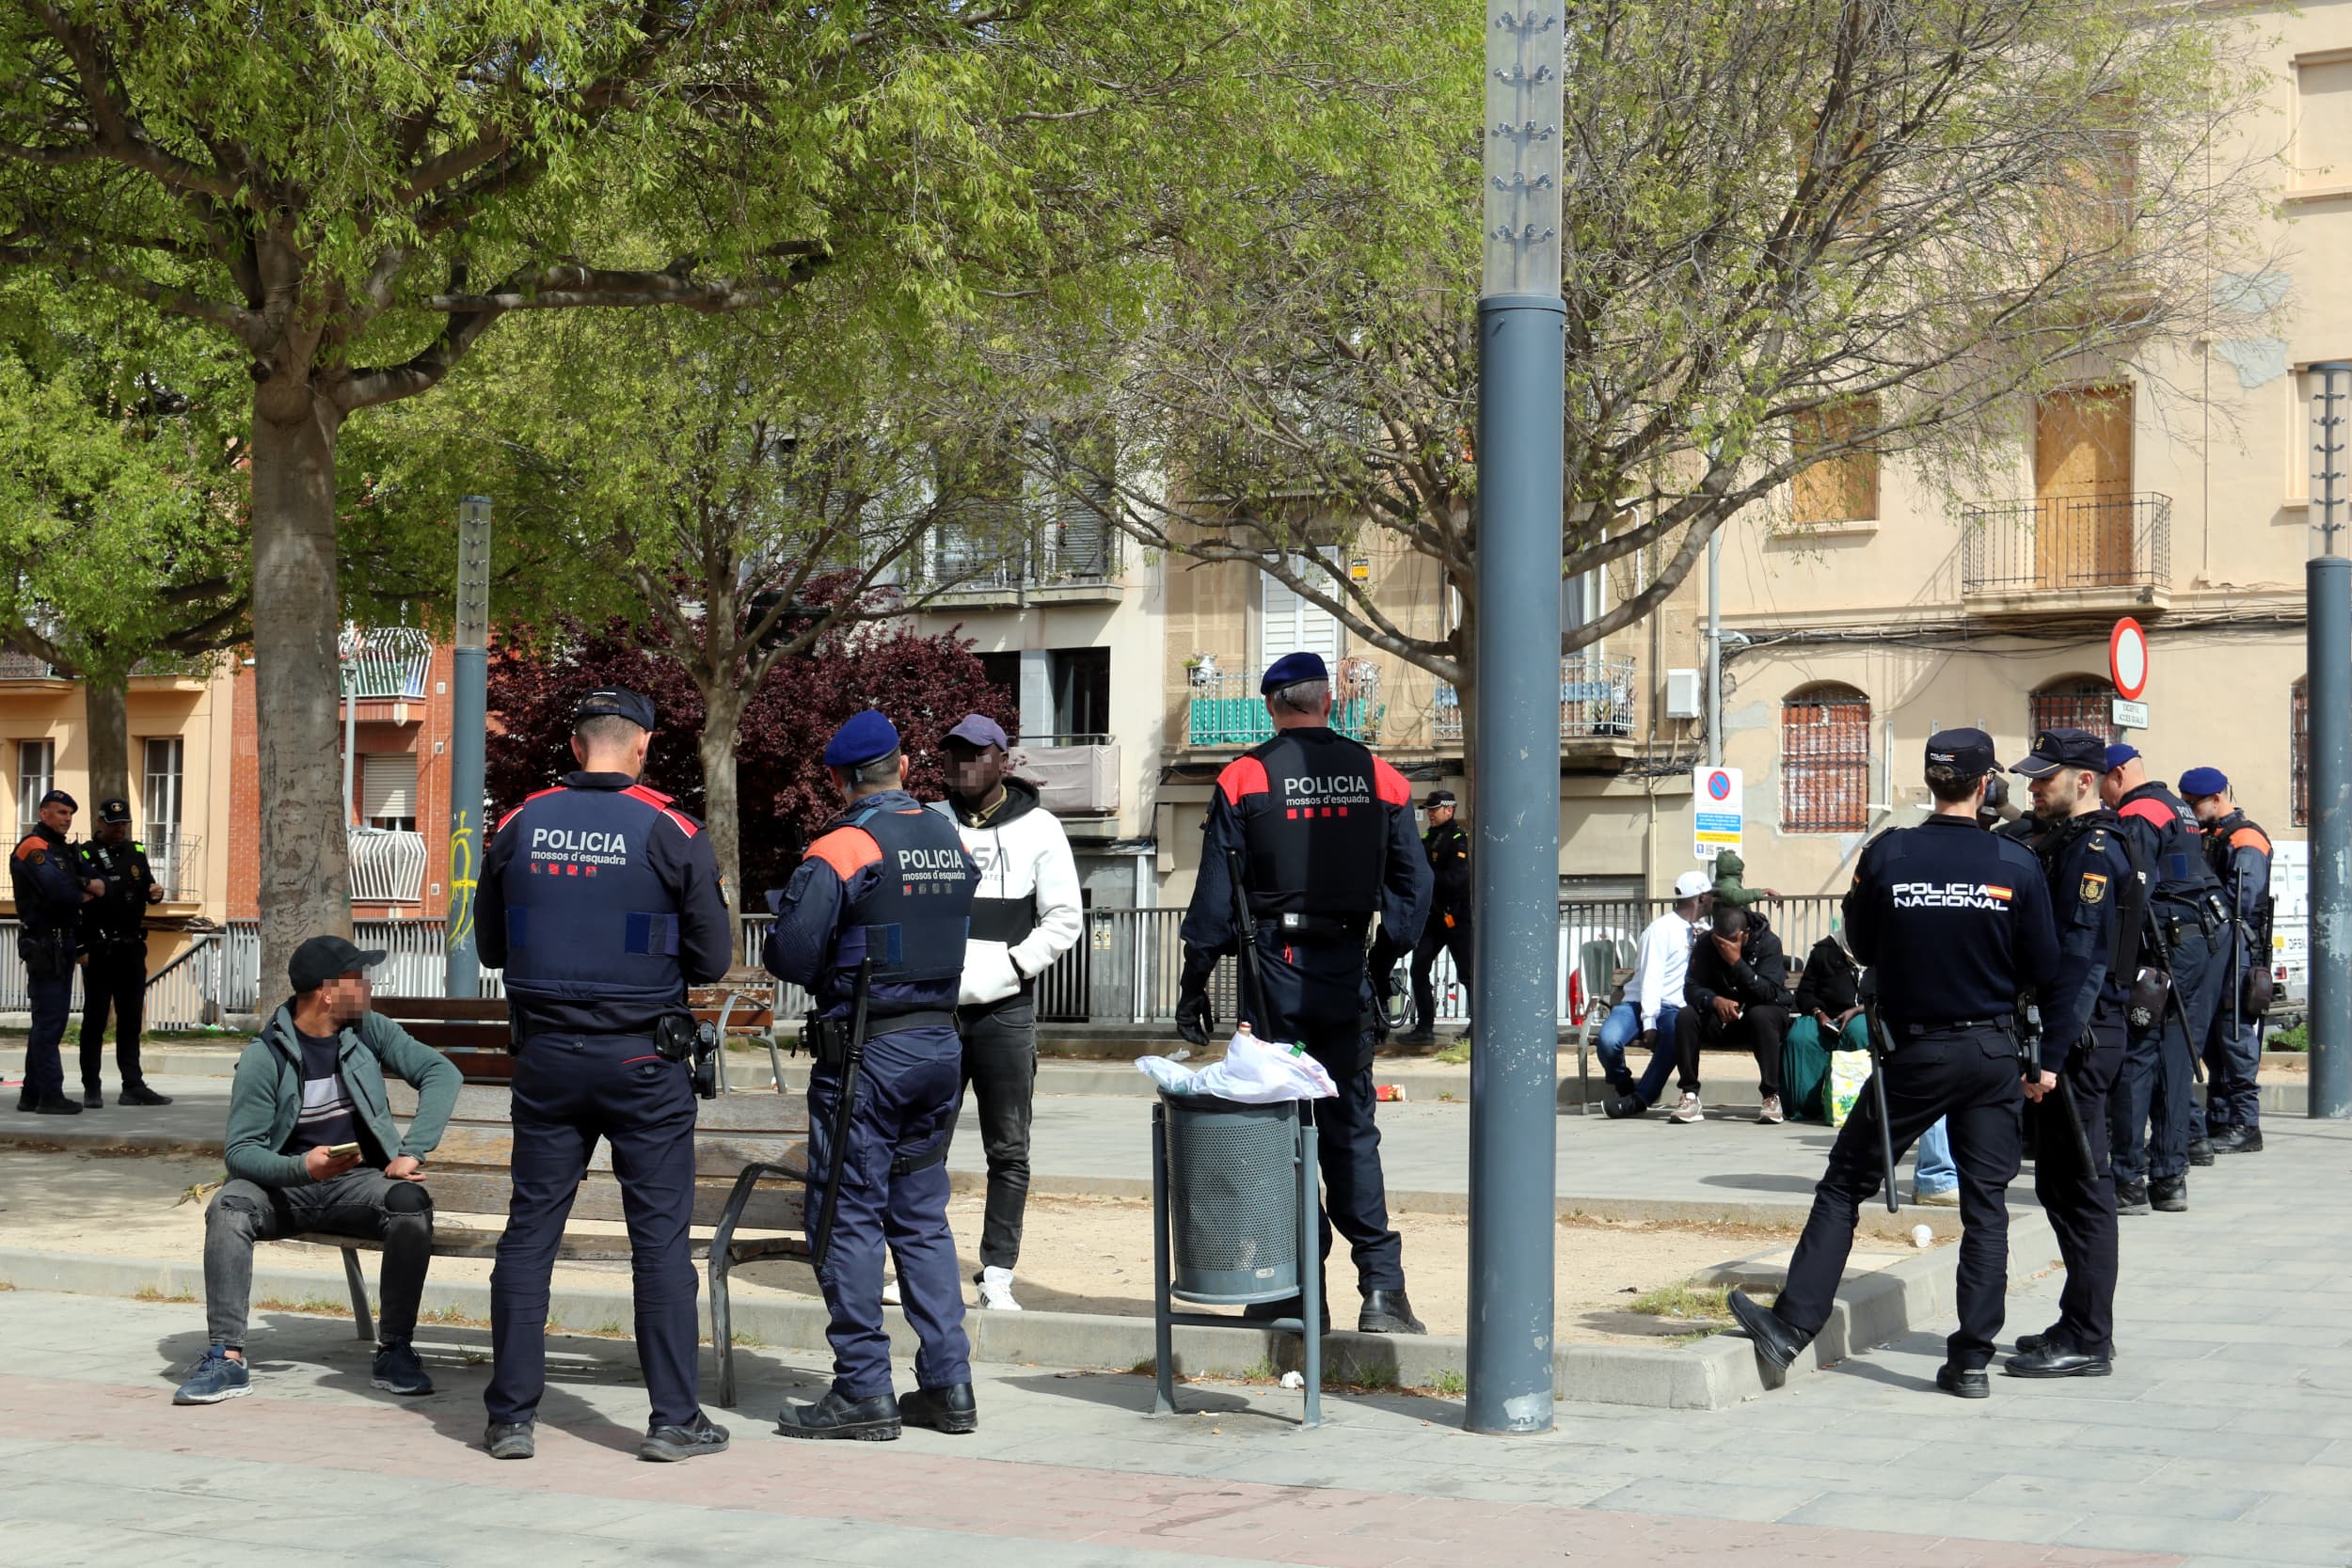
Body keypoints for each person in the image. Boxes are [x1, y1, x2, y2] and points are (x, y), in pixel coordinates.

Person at [1728, 730, 2058, 1398]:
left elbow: (1861, 942)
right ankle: (1969, 1360)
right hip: (1992, 1051)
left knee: (1844, 1185)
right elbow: (2043, 967)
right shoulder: (2016, 862)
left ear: (1931, 781)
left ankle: (1792, 1327)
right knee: (1986, 1205)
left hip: (1916, 1050)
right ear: (1985, 785)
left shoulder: (1889, 853)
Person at [474, 687, 735, 1464]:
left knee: (530, 1234)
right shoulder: (673, 829)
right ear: (644, 743)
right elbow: (713, 959)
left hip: (547, 1060)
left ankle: (511, 1418)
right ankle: (672, 1421)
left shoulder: (519, 823)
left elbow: (492, 946)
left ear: (578, 740)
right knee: (658, 1244)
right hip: (642, 1061)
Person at [1174, 650, 1432, 1335]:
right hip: (1345, 970)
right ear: (1328, 702)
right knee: (1352, 1133)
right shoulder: (1383, 777)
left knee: (1280, 1136)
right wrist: (1382, 961)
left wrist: (1194, 981)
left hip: (1272, 979)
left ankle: (1295, 1295)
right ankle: (1382, 1289)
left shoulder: (1245, 775)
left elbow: (1213, 896)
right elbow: (1416, 887)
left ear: (1272, 707)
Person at [767, 709, 981, 1440]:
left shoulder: (844, 844)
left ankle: (862, 1389)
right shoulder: (946, 835)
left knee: (846, 1214)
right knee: (921, 1217)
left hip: (868, 1058)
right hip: (940, 1048)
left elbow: (791, 955)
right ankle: (949, 1386)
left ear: (841, 778)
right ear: (904, 767)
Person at [174, 935, 460, 1404]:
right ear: (328, 992)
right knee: (228, 1207)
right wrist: (302, 1167)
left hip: (357, 1185)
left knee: (411, 1205)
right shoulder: (263, 1057)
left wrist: (413, 1151)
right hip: (286, 1190)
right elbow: (241, 1153)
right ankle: (225, 1359)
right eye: (359, 979)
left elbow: (441, 1072)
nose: (369, 987)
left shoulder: (369, 1031)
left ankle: (395, 1350)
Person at [931, 711, 1082, 1312]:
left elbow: (1065, 920)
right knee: (922, 1148)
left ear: (1003, 761)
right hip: (935, 1010)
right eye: (953, 753)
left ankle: (996, 1273)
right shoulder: (929, 822)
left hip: (1006, 1009)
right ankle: (926, 1266)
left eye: (976, 753)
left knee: (1008, 1150)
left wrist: (1011, 969)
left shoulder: (1042, 827)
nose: (964, 763)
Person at [2005, 727, 2141, 1379]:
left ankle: (2090, 1335)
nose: (2033, 787)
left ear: (2083, 781)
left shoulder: (2093, 852)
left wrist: (2049, 1058)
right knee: (2060, 1183)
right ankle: (2077, 1319)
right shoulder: (2066, 841)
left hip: (2080, 1039)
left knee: (2085, 1186)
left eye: (2044, 778)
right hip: (2069, 1035)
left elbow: (2083, 967)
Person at [2100, 743, 2226, 1213]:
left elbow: (2132, 889)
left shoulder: (2139, 812)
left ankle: (2128, 1179)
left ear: (2116, 775)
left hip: (2161, 948)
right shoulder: (2177, 806)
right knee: (2175, 1057)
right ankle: (2170, 1179)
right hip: (2197, 942)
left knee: (2137, 1057)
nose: (2106, 798)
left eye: (2104, 785)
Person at [2181, 767, 2270, 1158]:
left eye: (2192, 803)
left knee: (2235, 1035)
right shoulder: (2214, 835)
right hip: (2221, 947)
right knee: (2217, 1039)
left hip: (2237, 948)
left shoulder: (2245, 837)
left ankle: (2245, 1124)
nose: (2188, 809)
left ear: (2216, 799)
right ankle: (2221, 1117)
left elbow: (2241, 901)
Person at [74, 798, 171, 1107]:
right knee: (95, 1021)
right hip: (100, 949)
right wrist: (81, 948)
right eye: (114, 825)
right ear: (100, 823)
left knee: (131, 1020)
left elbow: (146, 889)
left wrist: (156, 894)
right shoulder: (85, 854)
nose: (120, 830)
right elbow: (75, 904)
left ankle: (133, 1085)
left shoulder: (137, 852)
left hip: (131, 949)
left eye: (124, 824)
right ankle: (92, 1086)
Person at [12, 787, 98, 1116]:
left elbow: (95, 879)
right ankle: (50, 1094)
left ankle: (32, 1093)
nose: (67, 819)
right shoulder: (33, 847)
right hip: (44, 942)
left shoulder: (60, 849)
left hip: (62, 941)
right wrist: (84, 889)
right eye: (61, 813)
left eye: (70, 814)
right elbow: (57, 889)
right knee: (50, 1022)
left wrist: (84, 884)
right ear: (43, 813)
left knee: (51, 1021)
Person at [1598, 870, 1711, 1118]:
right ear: (1701, 898)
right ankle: (1623, 1084)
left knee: (1676, 1035)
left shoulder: (1705, 931)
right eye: (1710, 896)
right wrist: (1649, 1022)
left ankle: (1640, 1099)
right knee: (1608, 1042)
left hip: (1674, 1008)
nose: (1712, 900)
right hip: (1638, 1005)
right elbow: (1651, 978)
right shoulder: (1660, 930)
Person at [1672, 903, 1791, 1124]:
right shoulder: (1707, 943)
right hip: (1722, 1018)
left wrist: (1736, 962)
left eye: (1731, 940)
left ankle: (1771, 1096)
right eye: (1719, 940)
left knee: (1762, 1016)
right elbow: (1691, 988)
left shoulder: (1768, 943)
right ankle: (1690, 1095)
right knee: (1686, 1016)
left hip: (1759, 1018)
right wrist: (1714, 1001)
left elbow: (1768, 992)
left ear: (1745, 934)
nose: (1723, 945)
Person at [1401, 788, 1472, 1044]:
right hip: (1434, 916)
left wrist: (1427, 878)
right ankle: (1424, 1027)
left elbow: (1457, 879)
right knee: (1418, 968)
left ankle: (1478, 1026)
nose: (1430, 814)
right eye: (1428, 810)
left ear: (1449, 810)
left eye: (1435, 809)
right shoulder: (1430, 837)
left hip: (1456, 916)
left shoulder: (1457, 838)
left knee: (1467, 973)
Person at [1782, 922, 1867, 1123]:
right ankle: (1803, 1105)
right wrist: (1819, 1014)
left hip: (1864, 1013)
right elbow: (1805, 993)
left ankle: (1860, 1108)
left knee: (1860, 1032)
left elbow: (1891, 994)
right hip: (1824, 1015)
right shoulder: (1825, 950)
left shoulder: (1884, 950)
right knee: (1800, 1037)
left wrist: (1857, 1010)